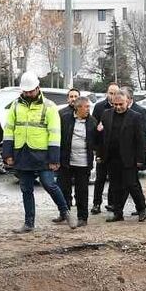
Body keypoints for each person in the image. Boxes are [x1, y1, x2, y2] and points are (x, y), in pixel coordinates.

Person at [2, 71, 72, 233]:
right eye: (25, 91)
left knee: (49, 184)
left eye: (30, 91)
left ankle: (65, 212)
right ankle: (29, 223)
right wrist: (8, 154)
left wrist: (54, 158)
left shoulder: (49, 106)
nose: (28, 94)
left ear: (37, 88)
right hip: (22, 154)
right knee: (26, 189)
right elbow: (9, 130)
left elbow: (55, 133)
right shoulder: (15, 105)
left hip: (43, 155)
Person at [97, 89, 146, 222]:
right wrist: (100, 154)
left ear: (127, 102)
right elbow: (102, 137)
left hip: (129, 158)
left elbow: (141, 140)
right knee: (115, 186)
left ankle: (142, 208)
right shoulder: (106, 114)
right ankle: (118, 212)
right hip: (112, 157)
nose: (118, 107)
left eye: (121, 104)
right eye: (115, 104)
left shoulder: (135, 116)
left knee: (132, 184)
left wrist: (140, 159)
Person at [59, 95, 98, 227]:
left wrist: (100, 133)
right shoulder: (65, 119)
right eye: (86, 107)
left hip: (83, 162)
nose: (88, 109)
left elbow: (97, 141)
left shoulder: (92, 121)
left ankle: (82, 217)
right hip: (67, 161)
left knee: (82, 191)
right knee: (64, 189)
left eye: (88, 107)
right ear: (77, 108)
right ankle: (64, 213)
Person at [92, 83, 121, 212]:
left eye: (115, 93)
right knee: (100, 178)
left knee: (114, 178)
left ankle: (112, 202)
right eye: (111, 93)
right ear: (107, 93)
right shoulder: (99, 107)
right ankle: (96, 203)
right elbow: (94, 127)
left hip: (115, 149)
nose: (113, 96)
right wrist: (96, 149)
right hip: (102, 149)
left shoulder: (120, 107)